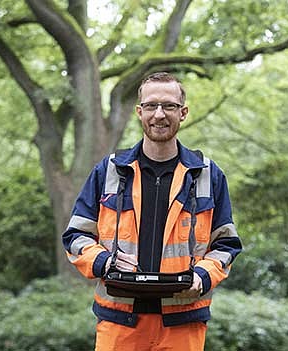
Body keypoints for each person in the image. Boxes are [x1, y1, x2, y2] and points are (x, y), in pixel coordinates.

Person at [62, 72, 242, 351]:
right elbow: (76, 236)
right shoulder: (109, 171)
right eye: (151, 106)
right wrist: (106, 262)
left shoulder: (208, 175)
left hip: (183, 322)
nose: (159, 114)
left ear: (183, 113)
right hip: (120, 322)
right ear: (139, 112)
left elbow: (226, 244)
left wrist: (202, 277)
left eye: (169, 106)